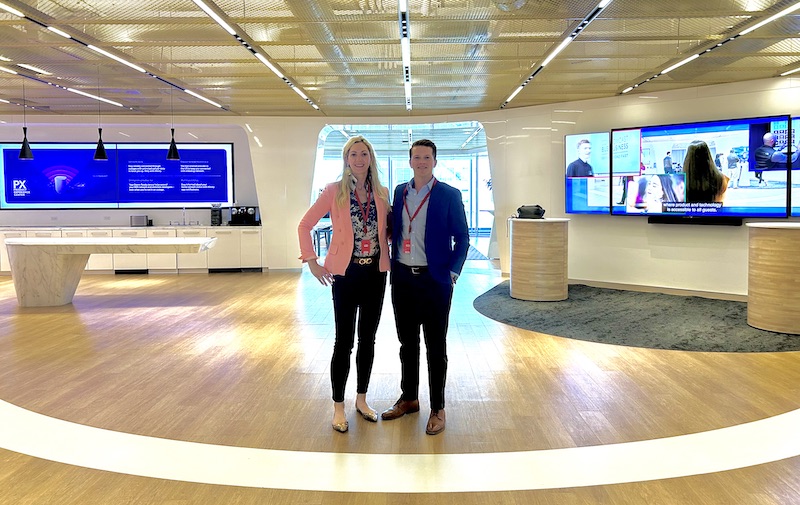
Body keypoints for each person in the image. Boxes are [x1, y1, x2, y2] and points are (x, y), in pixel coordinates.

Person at [297, 135, 391, 434]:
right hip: (345, 275)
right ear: (346, 159)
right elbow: (304, 225)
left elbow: (385, 232)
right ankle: (338, 406)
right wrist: (312, 261)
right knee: (344, 342)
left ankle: (361, 399)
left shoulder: (381, 192)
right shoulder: (333, 191)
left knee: (368, 340)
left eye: (364, 154)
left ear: (370, 158)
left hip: (375, 274)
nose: (359, 159)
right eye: (353, 154)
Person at [381, 139, 469, 436]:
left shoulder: (449, 195)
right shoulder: (399, 192)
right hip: (403, 278)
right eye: (416, 157)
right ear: (410, 161)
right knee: (407, 344)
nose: (421, 161)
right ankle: (409, 398)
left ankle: (438, 407)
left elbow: (463, 239)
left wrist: (452, 273)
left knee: (436, 347)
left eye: (426, 157)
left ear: (435, 161)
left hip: (435, 281)